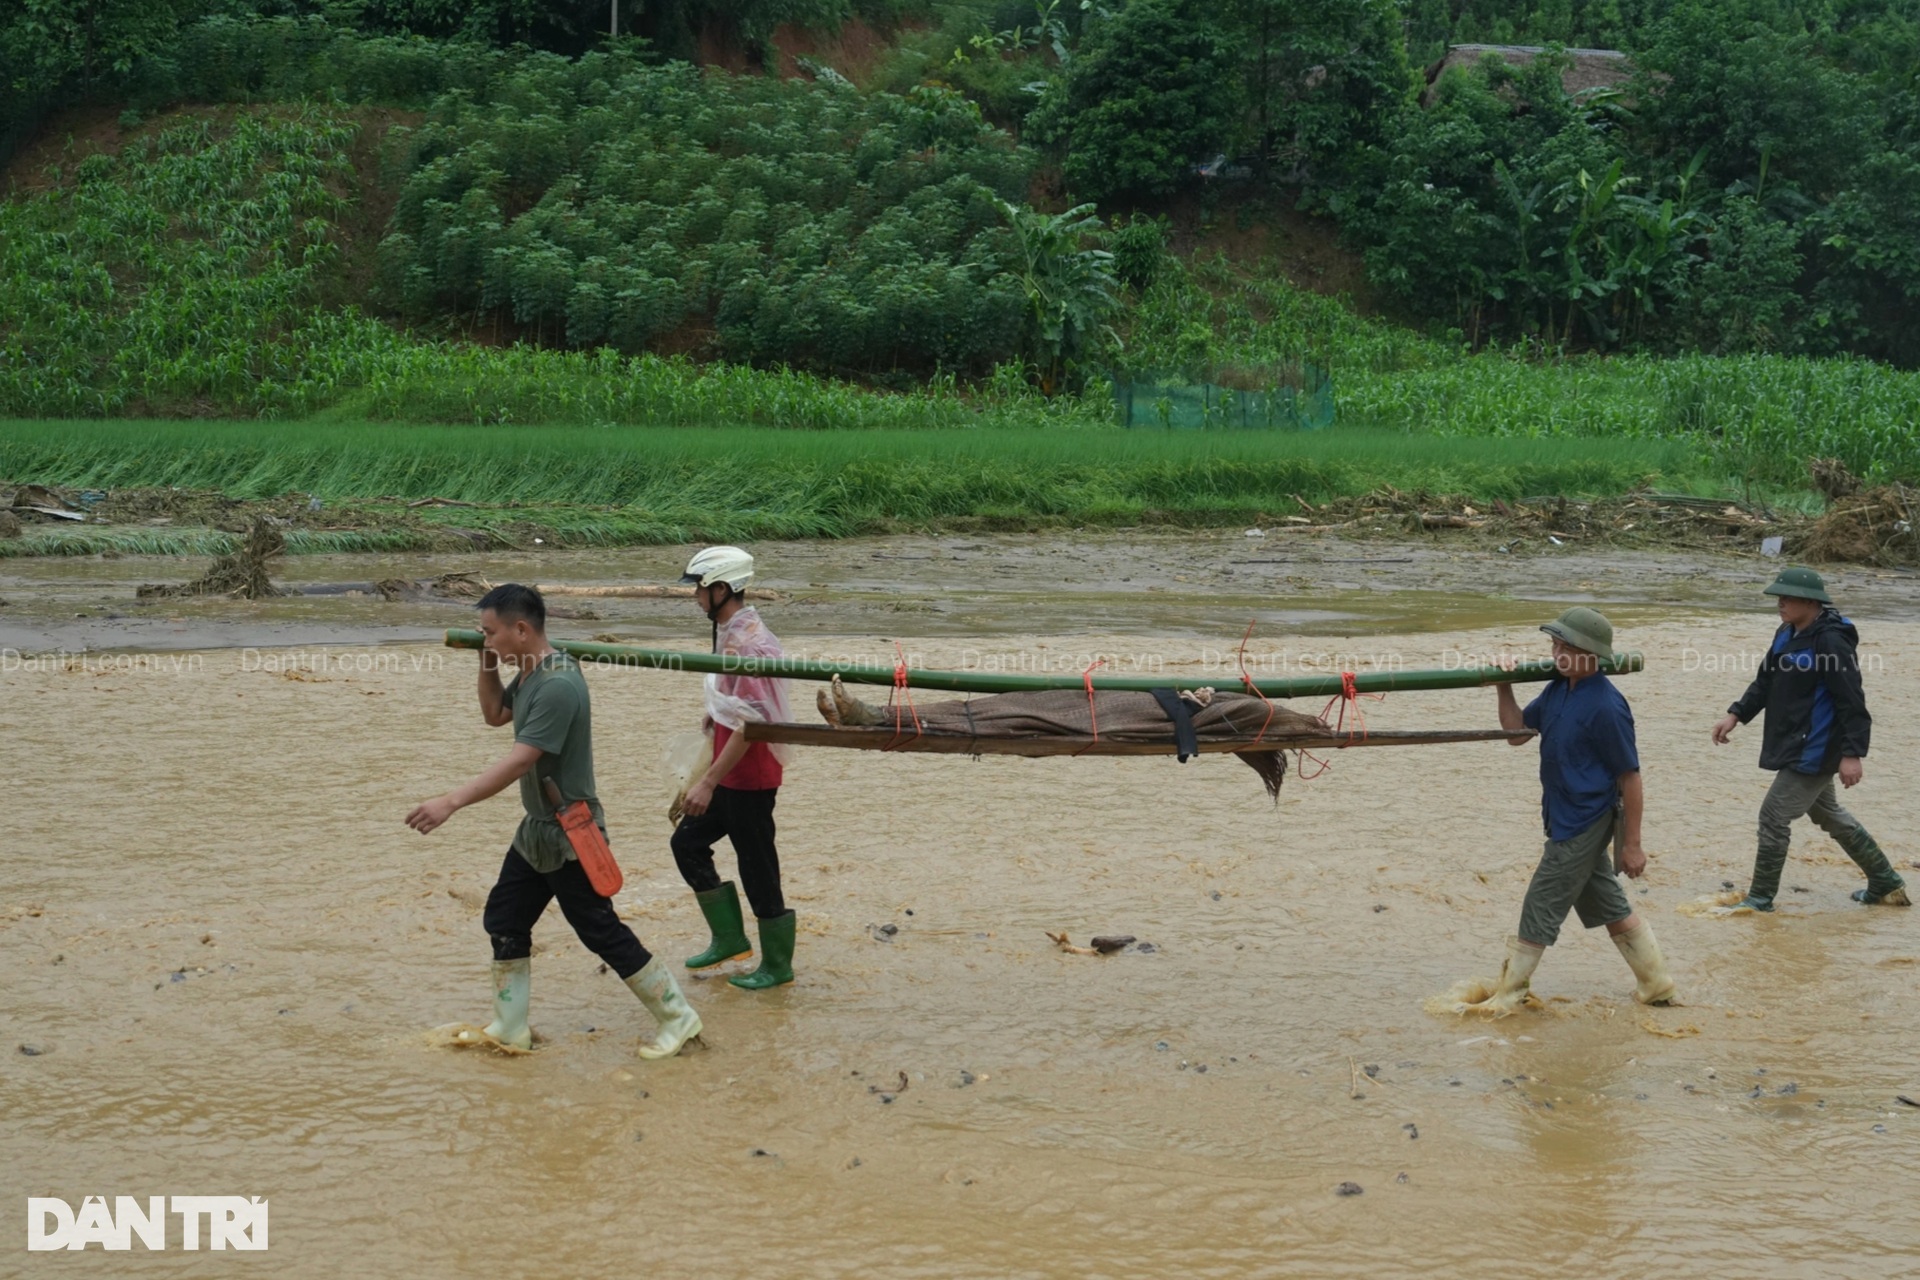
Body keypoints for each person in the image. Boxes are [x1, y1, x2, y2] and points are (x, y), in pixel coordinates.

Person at [405, 583, 703, 1058]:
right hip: (537, 832)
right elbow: (493, 714)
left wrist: (451, 801)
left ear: (521, 630)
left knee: (600, 931)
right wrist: (486, 660)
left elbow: (521, 760)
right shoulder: (528, 672)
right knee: (504, 918)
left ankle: (678, 1017)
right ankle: (509, 1026)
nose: (488, 641)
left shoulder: (558, 684)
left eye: (491, 633)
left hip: (569, 831)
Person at [1469, 607, 1675, 1013]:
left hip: (1585, 818)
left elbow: (1631, 777)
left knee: (1540, 904)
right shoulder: (1559, 690)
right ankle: (1657, 984)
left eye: (1567, 647)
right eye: (1555, 645)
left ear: (1592, 654)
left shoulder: (1606, 706)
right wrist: (1504, 686)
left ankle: (1509, 996)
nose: (1558, 654)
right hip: (1561, 812)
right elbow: (1516, 735)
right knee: (1606, 902)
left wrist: (1632, 845)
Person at [1710, 566, 1907, 911]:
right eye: (1778, 597)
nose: (1780, 602)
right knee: (1828, 813)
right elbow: (1765, 682)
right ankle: (1885, 881)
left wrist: (1852, 753)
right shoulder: (1786, 632)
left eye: (1787, 597)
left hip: (1816, 747)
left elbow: (1851, 700)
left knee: (1773, 815)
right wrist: (1736, 714)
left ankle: (1760, 899)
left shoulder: (1831, 640)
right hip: (1793, 741)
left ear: (1811, 601)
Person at [670, 547, 798, 990]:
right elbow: (734, 705)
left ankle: (778, 966)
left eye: (700, 590)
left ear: (721, 589)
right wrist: (714, 717)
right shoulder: (730, 633)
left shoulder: (751, 643)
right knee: (686, 843)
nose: (696, 599)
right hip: (729, 771)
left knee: (757, 866)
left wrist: (706, 781)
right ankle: (730, 938)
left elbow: (753, 723)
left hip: (749, 776)